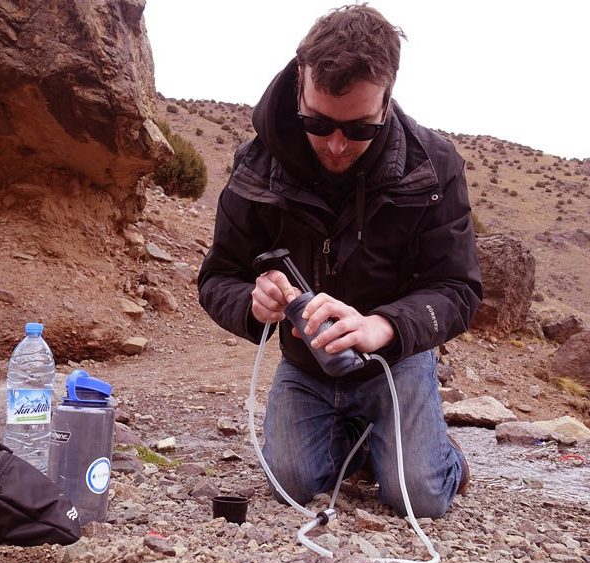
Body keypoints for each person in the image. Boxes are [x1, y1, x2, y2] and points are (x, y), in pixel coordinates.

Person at [197, 4, 482, 518]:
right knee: (291, 481)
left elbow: (458, 289)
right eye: (318, 122)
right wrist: (252, 304)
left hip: (394, 361)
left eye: (358, 130)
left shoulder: (433, 167)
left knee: (418, 496)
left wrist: (382, 326)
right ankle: (365, 442)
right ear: (300, 83)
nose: (334, 144)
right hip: (306, 366)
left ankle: (443, 460)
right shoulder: (257, 165)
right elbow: (218, 275)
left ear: (387, 100)